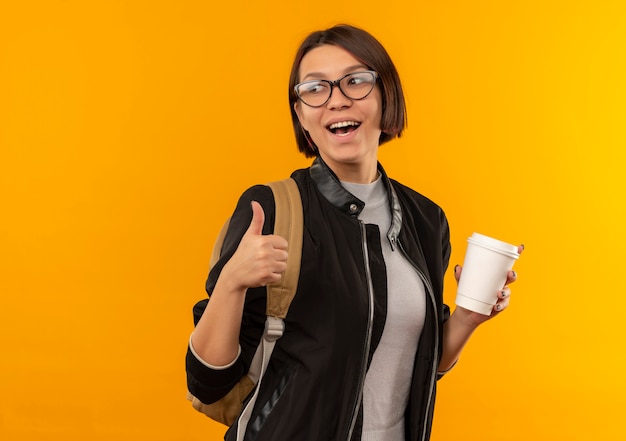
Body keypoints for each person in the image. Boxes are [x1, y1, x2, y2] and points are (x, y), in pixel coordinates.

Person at [186, 24, 522, 441]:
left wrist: (469, 318)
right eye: (315, 89)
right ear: (301, 114)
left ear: (386, 97)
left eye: (356, 81)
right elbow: (205, 382)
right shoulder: (271, 209)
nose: (337, 100)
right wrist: (233, 282)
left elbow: (416, 365)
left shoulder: (426, 219)